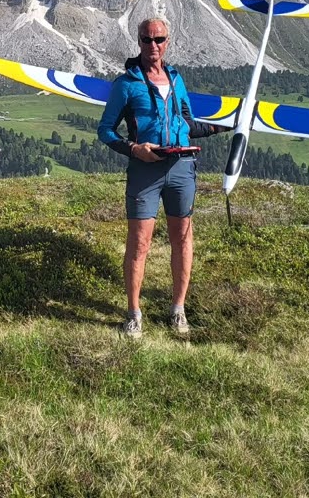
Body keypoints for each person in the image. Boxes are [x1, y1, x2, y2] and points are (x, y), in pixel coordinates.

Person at [97, 17, 226, 338]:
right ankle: (133, 314)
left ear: (168, 41)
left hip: (182, 167)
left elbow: (189, 124)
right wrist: (133, 149)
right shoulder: (126, 83)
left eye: (159, 39)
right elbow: (105, 130)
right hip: (145, 170)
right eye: (146, 40)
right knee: (139, 243)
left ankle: (178, 309)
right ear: (138, 41)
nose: (152, 46)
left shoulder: (177, 79)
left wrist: (226, 125)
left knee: (183, 239)